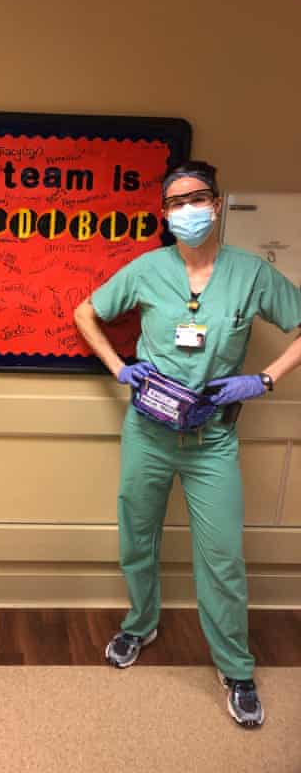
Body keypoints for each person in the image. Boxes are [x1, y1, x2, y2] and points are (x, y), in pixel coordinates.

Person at [74, 161, 301, 728]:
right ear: (164, 214)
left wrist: (265, 378)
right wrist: (118, 367)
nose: (187, 211)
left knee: (222, 556)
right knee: (137, 536)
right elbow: (86, 312)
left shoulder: (252, 275)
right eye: (175, 203)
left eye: (196, 198)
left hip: (212, 439)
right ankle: (140, 624)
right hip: (148, 432)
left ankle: (235, 666)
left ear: (217, 203)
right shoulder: (148, 270)